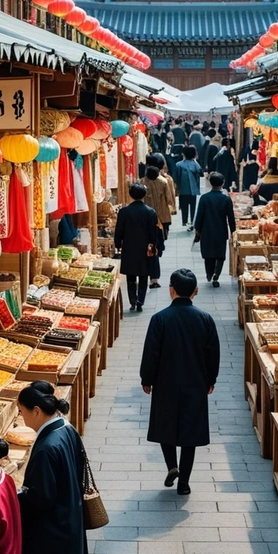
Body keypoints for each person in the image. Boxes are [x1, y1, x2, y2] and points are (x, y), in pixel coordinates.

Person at [17, 382, 91, 554]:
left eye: (23, 412)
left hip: (51, 529)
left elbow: (42, 497)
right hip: (68, 519)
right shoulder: (66, 429)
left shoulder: (47, 447)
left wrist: (16, 499)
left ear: (36, 411)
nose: (22, 419)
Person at [140, 268, 220, 495]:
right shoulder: (205, 319)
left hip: (166, 383)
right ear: (195, 291)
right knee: (190, 432)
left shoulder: (159, 319)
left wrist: (147, 378)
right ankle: (184, 482)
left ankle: (171, 466)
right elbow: (213, 353)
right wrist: (211, 379)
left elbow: (151, 353)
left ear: (171, 290)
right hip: (195, 383)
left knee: (166, 424)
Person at [114, 182, 160, 311]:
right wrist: (154, 246)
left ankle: (132, 301)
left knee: (131, 275)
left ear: (131, 195)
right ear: (144, 195)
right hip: (145, 248)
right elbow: (153, 232)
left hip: (129, 248)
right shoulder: (150, 212)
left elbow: (119, 231)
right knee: (144, 275)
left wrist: (118, 244)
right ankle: (141, 301)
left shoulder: (124, 212)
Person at [193, 171, 236, 286]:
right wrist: (233, 231)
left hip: (206, 231)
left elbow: (199, 216)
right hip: (221, 231)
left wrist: (198, 230)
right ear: (223, 183)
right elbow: (230, 217)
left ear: (210, 183)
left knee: (208, 254)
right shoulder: (226, 199)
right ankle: (216, 275)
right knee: (220, 254)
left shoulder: (204, 198)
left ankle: (209, 273)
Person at [175, 146, 202, 229]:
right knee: (193, 206)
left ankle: (184, 221)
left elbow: (177, 178)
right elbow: (200, 172)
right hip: (193, 190)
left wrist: (177, 188)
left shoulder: (179, 165)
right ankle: (193, 221)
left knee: (184, 206)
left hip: (183, 189)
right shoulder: (196, 165)